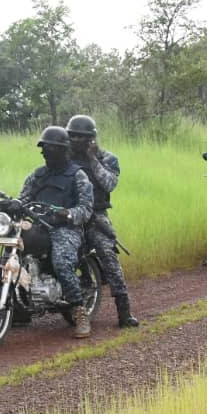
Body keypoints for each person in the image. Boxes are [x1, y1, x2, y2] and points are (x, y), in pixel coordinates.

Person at [15, 126, 95, 338]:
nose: (43, 151)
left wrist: (67, 214)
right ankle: (13, 310)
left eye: (48, 148)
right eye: (42, 147)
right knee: (13, 252)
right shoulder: (37, 175)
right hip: (38, 226)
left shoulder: (77, 176)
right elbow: (23, 198)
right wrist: (11, 205)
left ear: (61, 149)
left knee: (61, 262)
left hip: (65, 229)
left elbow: (86, 209)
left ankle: (79, 312)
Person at [65, 114, 139, 328]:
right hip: (69, 215)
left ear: (92, 139)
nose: (77, 141)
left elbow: (109, 184)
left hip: (96, 216)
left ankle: (124, 312)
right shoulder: (64, 159)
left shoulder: (108, 158)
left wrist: (92, 159)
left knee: (108, 255)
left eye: (82, 137)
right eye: (73, 136)